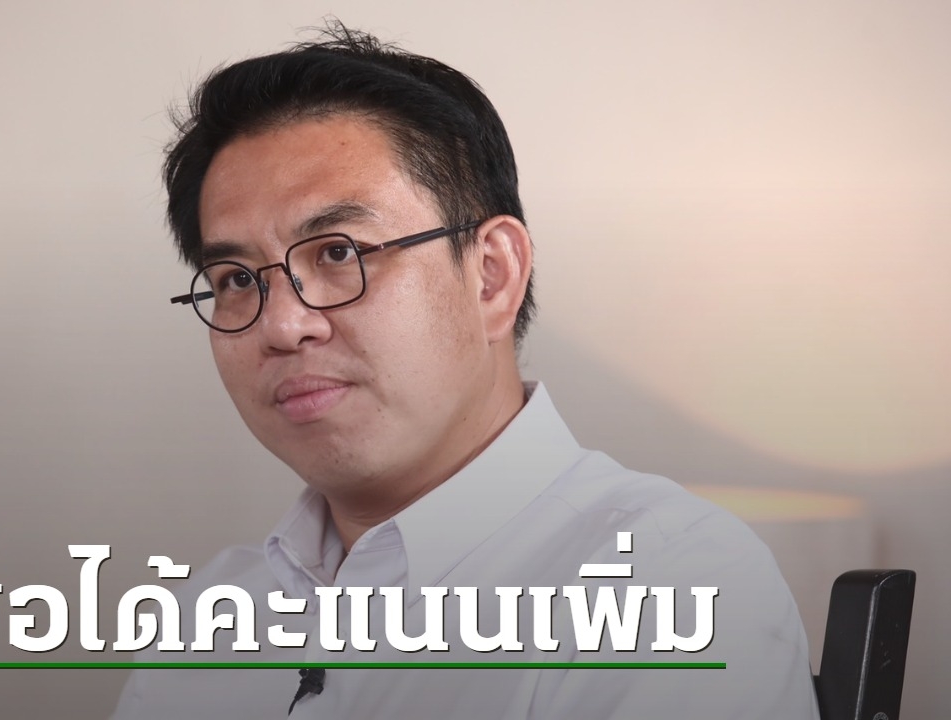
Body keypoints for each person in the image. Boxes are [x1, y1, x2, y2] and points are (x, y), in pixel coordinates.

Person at [112, 22, 819, 719]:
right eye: (237, 279)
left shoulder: (667, 580)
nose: (282, 325)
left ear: (491, 275)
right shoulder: (209, 616)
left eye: (338, 253)